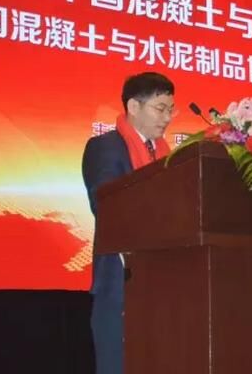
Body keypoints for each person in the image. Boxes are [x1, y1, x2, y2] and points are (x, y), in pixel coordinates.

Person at [81, 72, 176, 374]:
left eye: (170, 110)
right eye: (160, 108)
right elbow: (106, 205)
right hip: (122, 283)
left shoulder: (168, 157)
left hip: (163, 284)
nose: (167, 118)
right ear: (134, 107)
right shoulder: (106, 147)